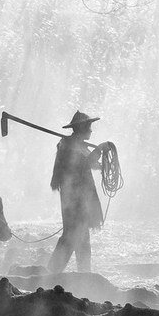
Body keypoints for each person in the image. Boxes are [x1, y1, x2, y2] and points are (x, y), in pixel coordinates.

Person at [48, 111, 104, 273]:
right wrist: (100, 150)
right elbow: (81, 165)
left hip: (79, 200)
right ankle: (52, 274)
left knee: (81, 237)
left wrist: (102, 159)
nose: (91, 131)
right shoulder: (68, 146)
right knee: (72, 236)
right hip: (74, 200)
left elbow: (90, 163)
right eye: (89, 127)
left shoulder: (77, 145)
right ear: (83, 128)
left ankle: (84, 276)